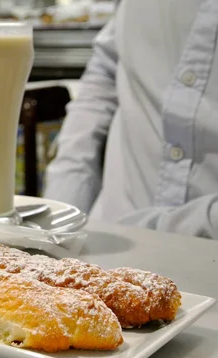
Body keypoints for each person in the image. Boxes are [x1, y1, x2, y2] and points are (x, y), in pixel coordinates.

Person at [44, 0, 218, 239]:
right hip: (108, 238)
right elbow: (107, 69)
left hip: (202, 258)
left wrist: (158, 233)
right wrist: (63, 206)